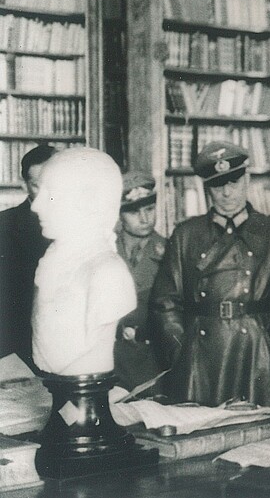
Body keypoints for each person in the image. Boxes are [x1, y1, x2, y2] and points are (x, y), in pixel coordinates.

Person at [150, 141, 270, 408]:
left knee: (261, 439)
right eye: (218, 185)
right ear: (207, 188)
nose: (227, 193)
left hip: (256, 353)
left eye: (234, 182)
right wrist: (182, 351)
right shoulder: (186, 235)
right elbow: (164, 303)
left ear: (247, 179)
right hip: (199, 357)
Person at [30, 148, 136, 375]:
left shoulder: (107, 273)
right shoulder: (53, 261)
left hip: (84, 391)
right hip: (56, 389)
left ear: (88, 201)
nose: (35, 205)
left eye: (50, 195)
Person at [0, 143, 56, 370]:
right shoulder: (5, 225)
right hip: (20, 352)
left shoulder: (78, 223)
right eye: (36, 185)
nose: (46, 193)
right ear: (25, 185)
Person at [113, 171, 166, 391]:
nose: (145, 219)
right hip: (108, 362)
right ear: (119, 215)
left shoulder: (170, 254)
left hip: (152, 365)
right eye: (134, 212)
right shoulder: (105, 251)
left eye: (149, 209)